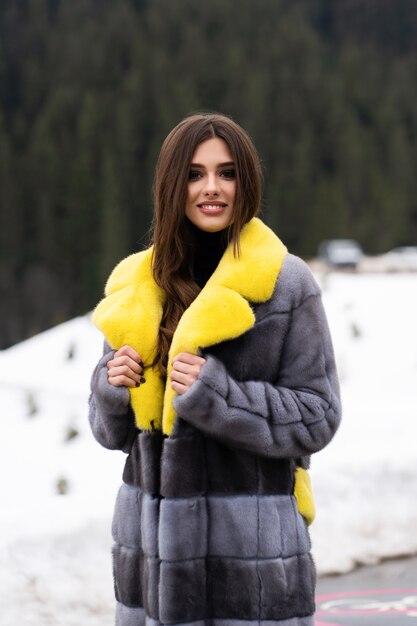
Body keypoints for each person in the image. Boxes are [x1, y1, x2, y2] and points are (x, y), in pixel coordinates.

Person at [89, 112, 341, 626]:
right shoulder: (138, 286)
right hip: (151, 577)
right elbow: (107, 431)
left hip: (252, 580)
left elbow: (318, 416)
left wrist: (219, 397)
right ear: (171, 183)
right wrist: (111, 388)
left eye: (227, 173)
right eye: (195, 174)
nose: (212, 188)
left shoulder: (286, 285)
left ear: (246, 182)